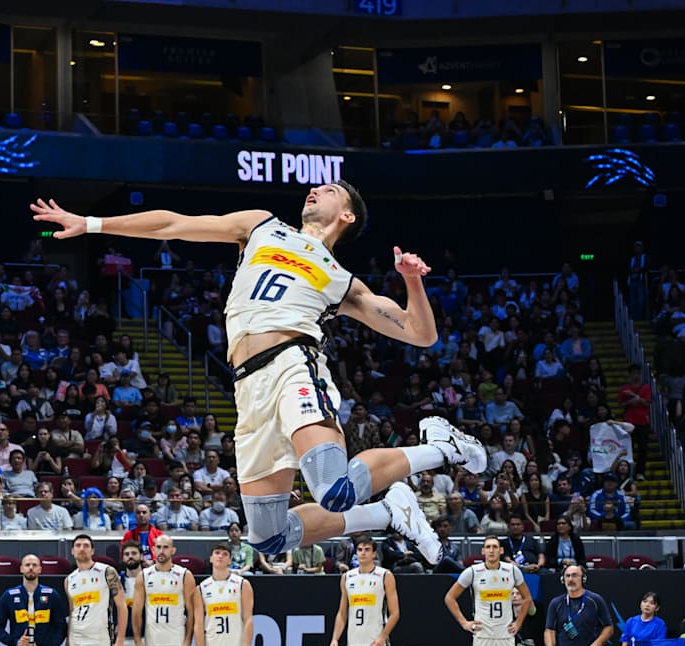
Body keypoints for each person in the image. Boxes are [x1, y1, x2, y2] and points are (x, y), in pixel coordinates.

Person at [32, 190, 485, 567]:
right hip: (247, 387)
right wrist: (91, 223)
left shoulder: (342, 281)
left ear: (346, 215)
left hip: (293, 365)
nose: (316, 190)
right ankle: (386, 512)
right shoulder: (262, 225)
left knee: (333, 489)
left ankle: (442, 446)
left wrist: (412, 281)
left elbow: (421, 334)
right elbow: (173, 224)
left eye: (330, 190)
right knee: (269, 539)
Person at [444, 536, 532, 646]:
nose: (491, 550)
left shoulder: (512, 571)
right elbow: (449, 598)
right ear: (483, 551)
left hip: (505, 633)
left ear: (501, 550)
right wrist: (464, 623)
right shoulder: (473, 572)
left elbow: (527, 598)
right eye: (488, 547)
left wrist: (518, 623)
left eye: (495, 547)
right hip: (483, 633)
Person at [329, 535, 400, 646]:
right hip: (354, 641)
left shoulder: (384, 576)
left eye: (367, 550)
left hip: (375, 640)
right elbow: (342, 613)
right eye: (360, 550)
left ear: (374, 554)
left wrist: (382, 637)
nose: (363, 553)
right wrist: (335, 638)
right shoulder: (347, 577)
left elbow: (395, 613)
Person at [132, 534, 197, 646]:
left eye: (165, 547)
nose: (161, 551)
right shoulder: (144, 576)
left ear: (173, 550)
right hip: (152, 641)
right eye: (158, 547)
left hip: (177, 641)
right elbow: (136, 612)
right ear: (153, 549)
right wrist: (138, 642)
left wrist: (188, 643)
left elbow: (192, 612)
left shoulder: (184, 575)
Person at [63, 534, 127, 646]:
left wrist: (119, 642)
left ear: (92, 550)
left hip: (100, 639)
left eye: (86, 545)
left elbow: (122, 607)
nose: (82, 548)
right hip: (77, 640)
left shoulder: (107, 572)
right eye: (78, 545)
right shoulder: (69, 580)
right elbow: (72, 615)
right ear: (72, 551)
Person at [197, 541, 254, 646]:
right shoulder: (202, 588)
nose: (220, 556)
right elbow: (198, 623)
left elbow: (248, 619)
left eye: (225, 554)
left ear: (230, 560)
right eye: (217, 553)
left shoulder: (242, 584)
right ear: (210, 558)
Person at [114, 541, 146, 646]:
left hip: (148, 637)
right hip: (125, 639)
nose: (130, 557)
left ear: (141, 556)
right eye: (127, 554)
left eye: (134, 553)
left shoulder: (150, 578)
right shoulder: (117, 581)